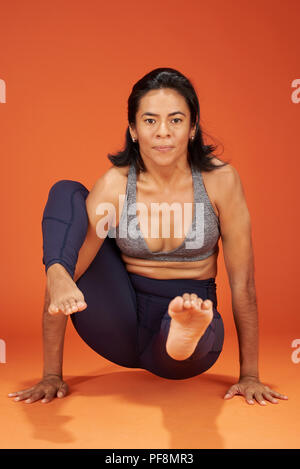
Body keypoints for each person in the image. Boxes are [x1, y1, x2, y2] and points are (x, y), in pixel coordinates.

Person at [8, 67, 288, 406]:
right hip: (117, 320)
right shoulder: (115, 184)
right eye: (150, 121)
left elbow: (243, 285)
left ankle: (180, 336)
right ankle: (55, 269)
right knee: (66, 193)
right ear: (134, 130)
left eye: (175, 120)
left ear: (193, 128)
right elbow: (67, 272)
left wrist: (250, 375)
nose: (163, 133)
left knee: (188, 324)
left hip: (193, 318)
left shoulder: (220, 182)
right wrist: (51, 374)